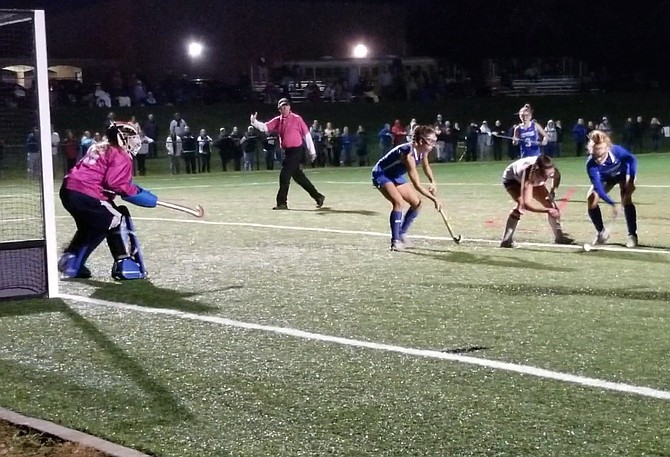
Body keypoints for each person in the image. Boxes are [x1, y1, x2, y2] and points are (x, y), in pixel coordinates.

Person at [58, 123, 158, 280]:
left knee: (91, 227)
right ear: (122, 139)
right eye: (131, 138)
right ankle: (124, 265)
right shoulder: (121, 154)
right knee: (116, 218)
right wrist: (139, 194)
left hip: (69, 190)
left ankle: (71, 261)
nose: (134, 142)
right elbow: (116, 184)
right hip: (87, 193)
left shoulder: (99, 147)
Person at [371, 125, 442, 251]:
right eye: (431, 141)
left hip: (395, 175)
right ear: (420, 141)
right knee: (398, 203)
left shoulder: (423, 151)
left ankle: (402, 233)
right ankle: (395, 241)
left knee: (418, 203)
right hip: (382, 174)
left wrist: (433, 181)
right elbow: (416, 184)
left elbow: (426, 167)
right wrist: (434, 199)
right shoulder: (407, 154)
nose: (433, 145)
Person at [250, 98, 325, 210]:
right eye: (282, 106)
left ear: (290, 107)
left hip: (296, 150)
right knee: (299, 177)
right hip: (287, 152)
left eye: (286, 105)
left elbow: (306, 135)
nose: (284, 108)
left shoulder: (297, 119)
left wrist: (312, 151)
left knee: (284, 176)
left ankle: (282, 203)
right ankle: (318, 196)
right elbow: (265, 127)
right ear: (279, 109)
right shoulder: (277, 120)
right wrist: (254, 122)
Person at [500, 154, 573, 248]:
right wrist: (546, 210)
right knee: (521, 205)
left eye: (549, 176)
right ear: (537, 170)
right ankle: (506, 240)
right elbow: (527, 204)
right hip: (512, 179)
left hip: (535, 179)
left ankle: (559, 237)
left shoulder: (550, 170)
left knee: (552, 206)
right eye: (544, 176)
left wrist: (553, 191)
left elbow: (557, 177)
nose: (547, 179)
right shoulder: (528, 174)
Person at [585, 130, 639, 248]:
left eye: (600, 155)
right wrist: (612, 203)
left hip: (622, 174)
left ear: (607, 149)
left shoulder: (617, 151)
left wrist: (631, 180)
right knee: (591, 198)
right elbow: (599, 188)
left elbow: (632, 160)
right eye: (594, 155)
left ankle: (632, 235)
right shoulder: (591, 164)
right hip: (606, 178)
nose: (598, 158)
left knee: (626, 198)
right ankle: (601, 232)